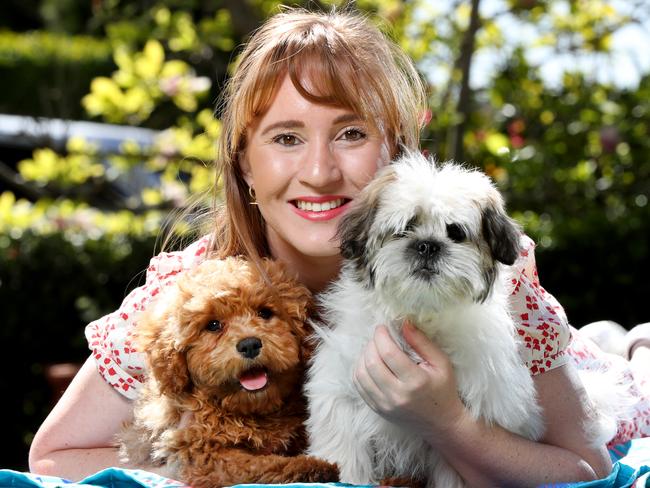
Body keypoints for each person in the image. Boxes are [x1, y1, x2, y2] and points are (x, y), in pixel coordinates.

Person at [28, 8, 650, 487]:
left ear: (398, 152)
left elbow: (584, 464)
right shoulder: (192, 295)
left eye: (350, 132)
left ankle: (625, 343)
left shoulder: (491, 284)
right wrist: (222, 465)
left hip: (598, 388)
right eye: (287, 137)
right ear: (244, 164)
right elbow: (52, 457)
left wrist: (449, 425)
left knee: (627, 376)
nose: (321, 171)